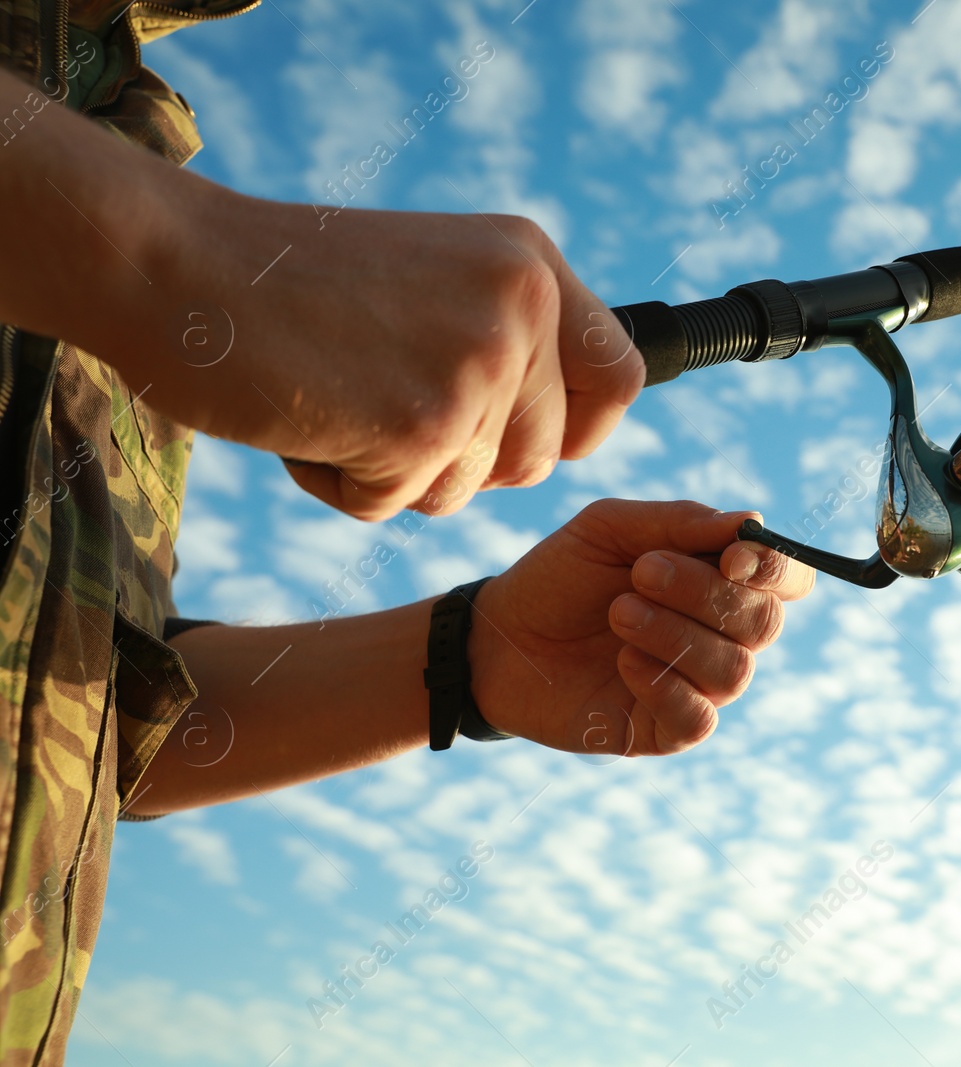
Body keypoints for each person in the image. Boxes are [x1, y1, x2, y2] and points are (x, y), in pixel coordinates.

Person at [0, 3, 814, 1061]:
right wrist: (168, 254)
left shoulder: (113, 124)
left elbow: (96, 712)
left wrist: (468, 656)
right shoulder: (116, 178)